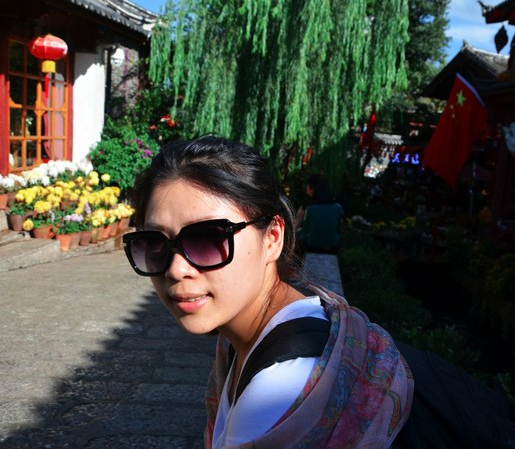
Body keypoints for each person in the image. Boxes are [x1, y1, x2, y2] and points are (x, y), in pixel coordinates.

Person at [123, 135, 413, 448]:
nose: (175, 269)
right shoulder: (252, 334)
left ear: (272, 237)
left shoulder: (279, 388)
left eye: (206, 238)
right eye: (154, 243)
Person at [296, 174, 344, 254]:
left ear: (312, 189)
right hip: (334, 246)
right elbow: (339, 228)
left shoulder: (310, 208)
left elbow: (303, 228)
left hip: (312, 246)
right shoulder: (338, 207)